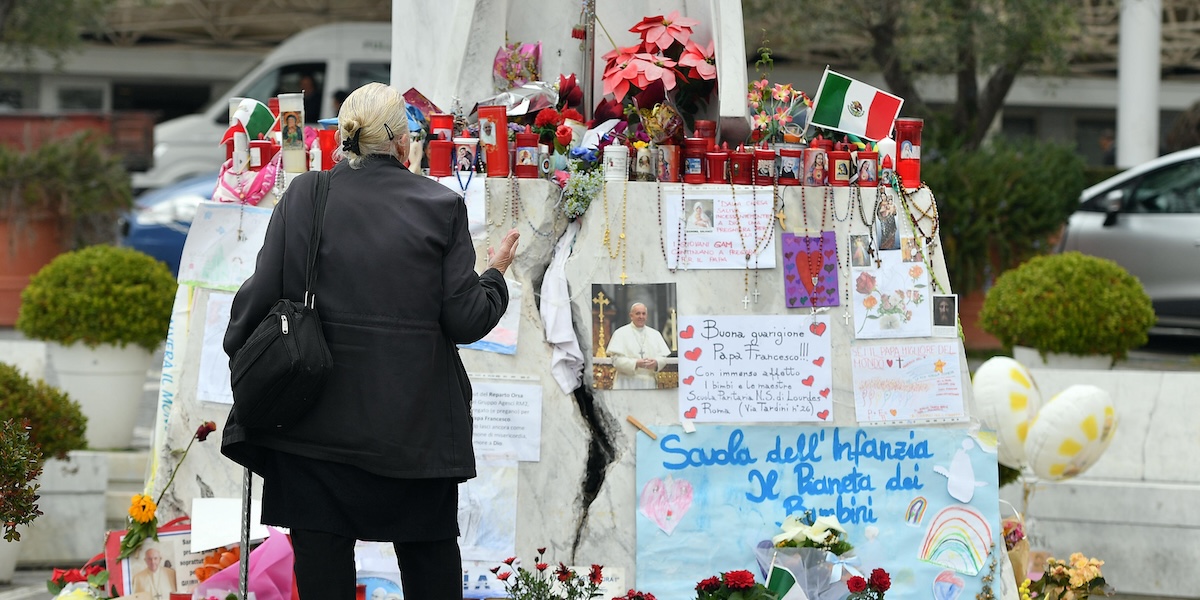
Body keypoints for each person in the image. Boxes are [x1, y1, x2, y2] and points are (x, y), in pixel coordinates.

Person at [222, 82, 519, 600]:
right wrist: (494, 274)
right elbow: (467, 319)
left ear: (344, 140)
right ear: (405, 145)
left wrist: (247, 360)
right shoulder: (440, 206)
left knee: (323, 583)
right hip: (413, 435)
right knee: (431, 575)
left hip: (312, 430)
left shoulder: (305, 195)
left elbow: (254, 304)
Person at [605, 302, 671, 390]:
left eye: (643, 314)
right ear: (631, 316)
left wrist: (656, 363)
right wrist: (635, 363)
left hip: (649, 383)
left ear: (646, 316)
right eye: (638, 313)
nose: (641, 317)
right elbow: (616, 360)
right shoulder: (620, 333)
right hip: (626, 383)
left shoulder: (655, 334)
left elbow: (663, 358)